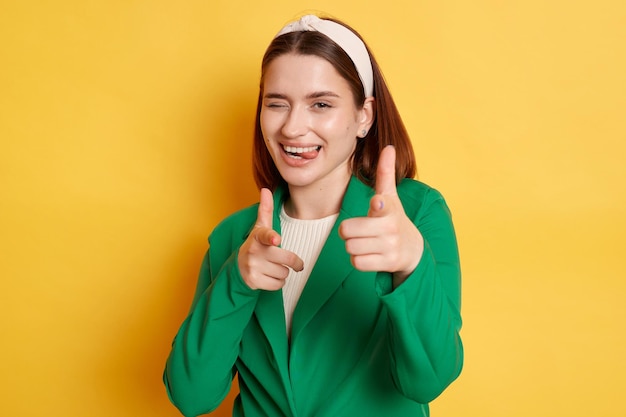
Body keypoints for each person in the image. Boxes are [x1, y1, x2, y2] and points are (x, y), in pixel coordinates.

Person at [164, 14, 463, 417]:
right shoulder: (233, 238)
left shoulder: (415, 214)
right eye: (276, 104)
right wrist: (236, 279)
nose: (293, 127)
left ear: (364, 116)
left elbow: (427, 380)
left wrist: (411, 265)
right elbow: (192, 396)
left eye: (320, 104)